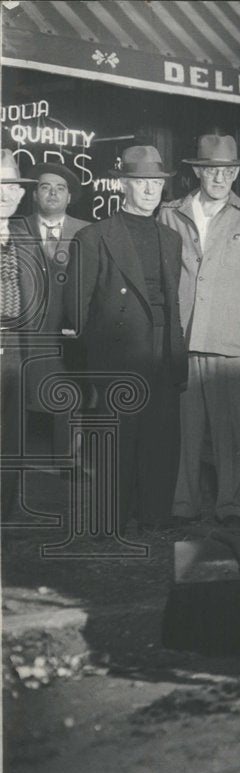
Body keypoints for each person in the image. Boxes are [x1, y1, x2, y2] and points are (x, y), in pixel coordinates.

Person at [158, 134, 240, 528]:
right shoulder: (170, 213)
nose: (221, 178)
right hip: (184, 340)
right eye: (213, 171)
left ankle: (230, 504)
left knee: (229, 430)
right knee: (183, 430)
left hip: (229, 341)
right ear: (198, 172)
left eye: (228, 171)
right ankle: (183, 503)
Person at [72, 145, 187, 532]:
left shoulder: (171, 239)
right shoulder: (95, 236)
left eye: (156, 182)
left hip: (162, 350)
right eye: (141, 182)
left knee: (160, 437)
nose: (151, 190)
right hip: (117, 354)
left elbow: (173, 304)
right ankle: (112, 519)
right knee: (116, 438)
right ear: (123, 185)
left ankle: (154, 516)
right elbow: (78, 310)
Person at [23, 162, 88, 456]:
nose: (53, 193)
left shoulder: (87, 232)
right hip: (24, 336)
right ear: (35, 194)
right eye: (45, 187)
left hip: (68, 335)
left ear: (70, 197)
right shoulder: (15, 229)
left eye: (60, 188)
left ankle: (68, 461)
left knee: (70, 395)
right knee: (15, 401)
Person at [0, 149, 40, 518]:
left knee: (11, 443)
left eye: (13, 187)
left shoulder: (25, 239)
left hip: (16, 353)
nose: (6, 194)